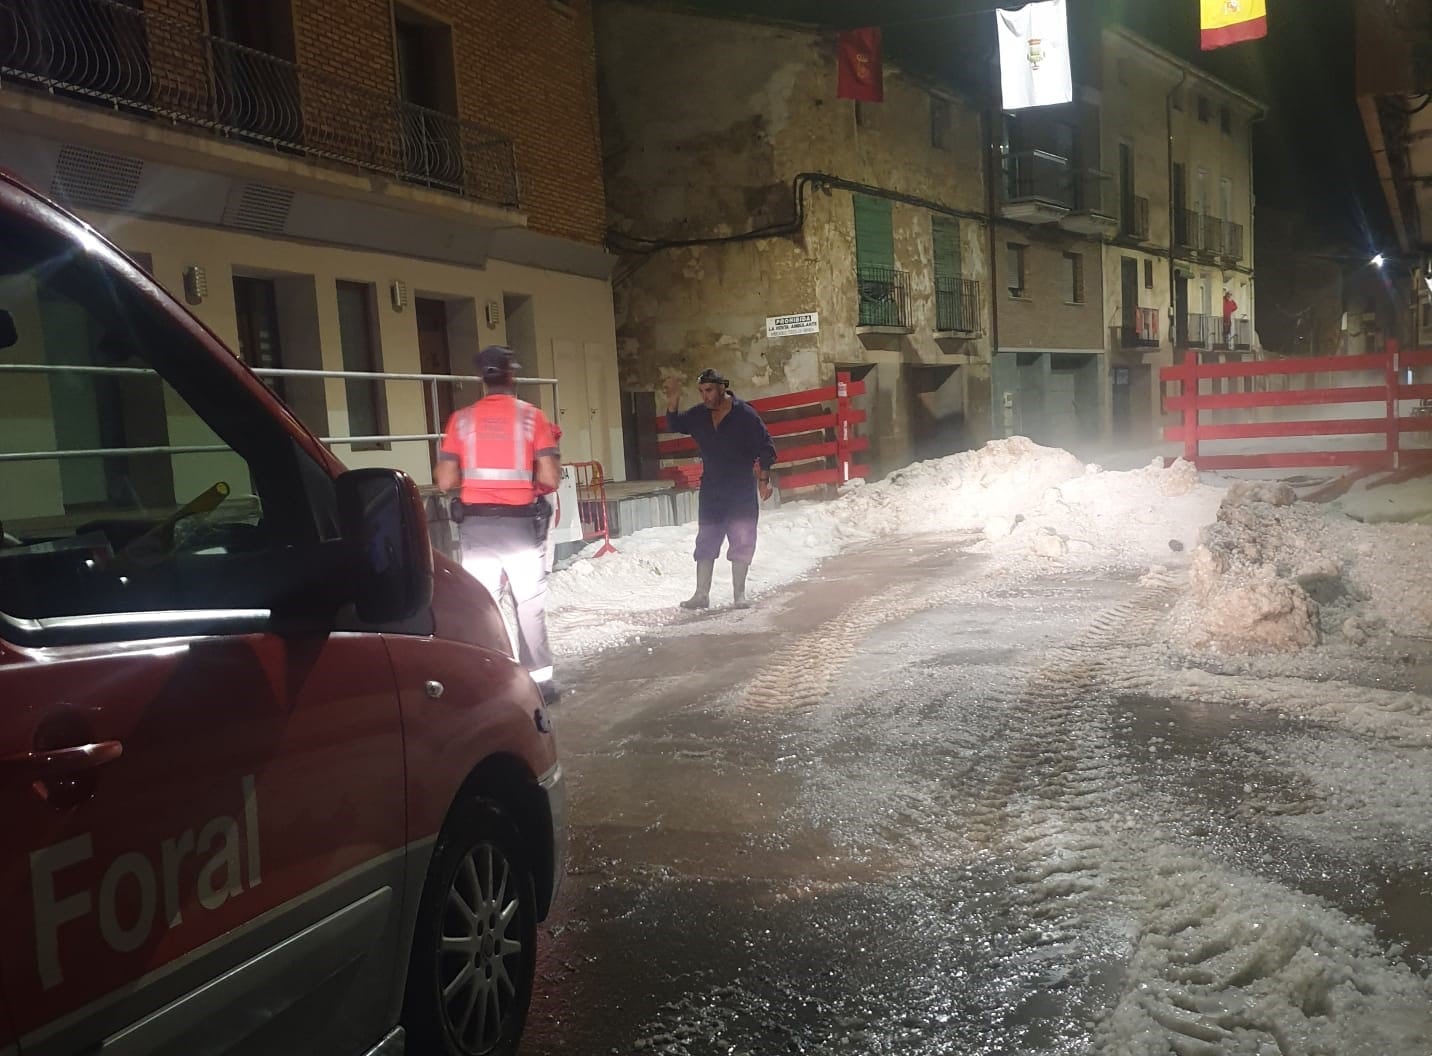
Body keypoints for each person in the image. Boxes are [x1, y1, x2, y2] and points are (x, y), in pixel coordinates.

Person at [435, 345, 562, 703]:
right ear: (512, 376)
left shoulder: (460, 420)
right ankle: (541, 683)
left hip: (476, 529)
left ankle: (487, 677)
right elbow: (550, 478)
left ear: (482, 378)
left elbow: (445, 481)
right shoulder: (531, 417)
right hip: (521, 529)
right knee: (529, 604)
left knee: (481, 604)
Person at [663, 368, 777, 610]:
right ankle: (701, 594)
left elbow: (766, 446)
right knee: (706, 539)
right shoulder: (699, 415)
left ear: (722, 388)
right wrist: (673, 401)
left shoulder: (744, 415)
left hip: (741, 488)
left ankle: (739, 595)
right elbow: (675, 424)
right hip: (712, 488)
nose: (705, 396)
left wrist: (763, 479)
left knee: (742, 539)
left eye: (709, 391)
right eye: (701, 392)